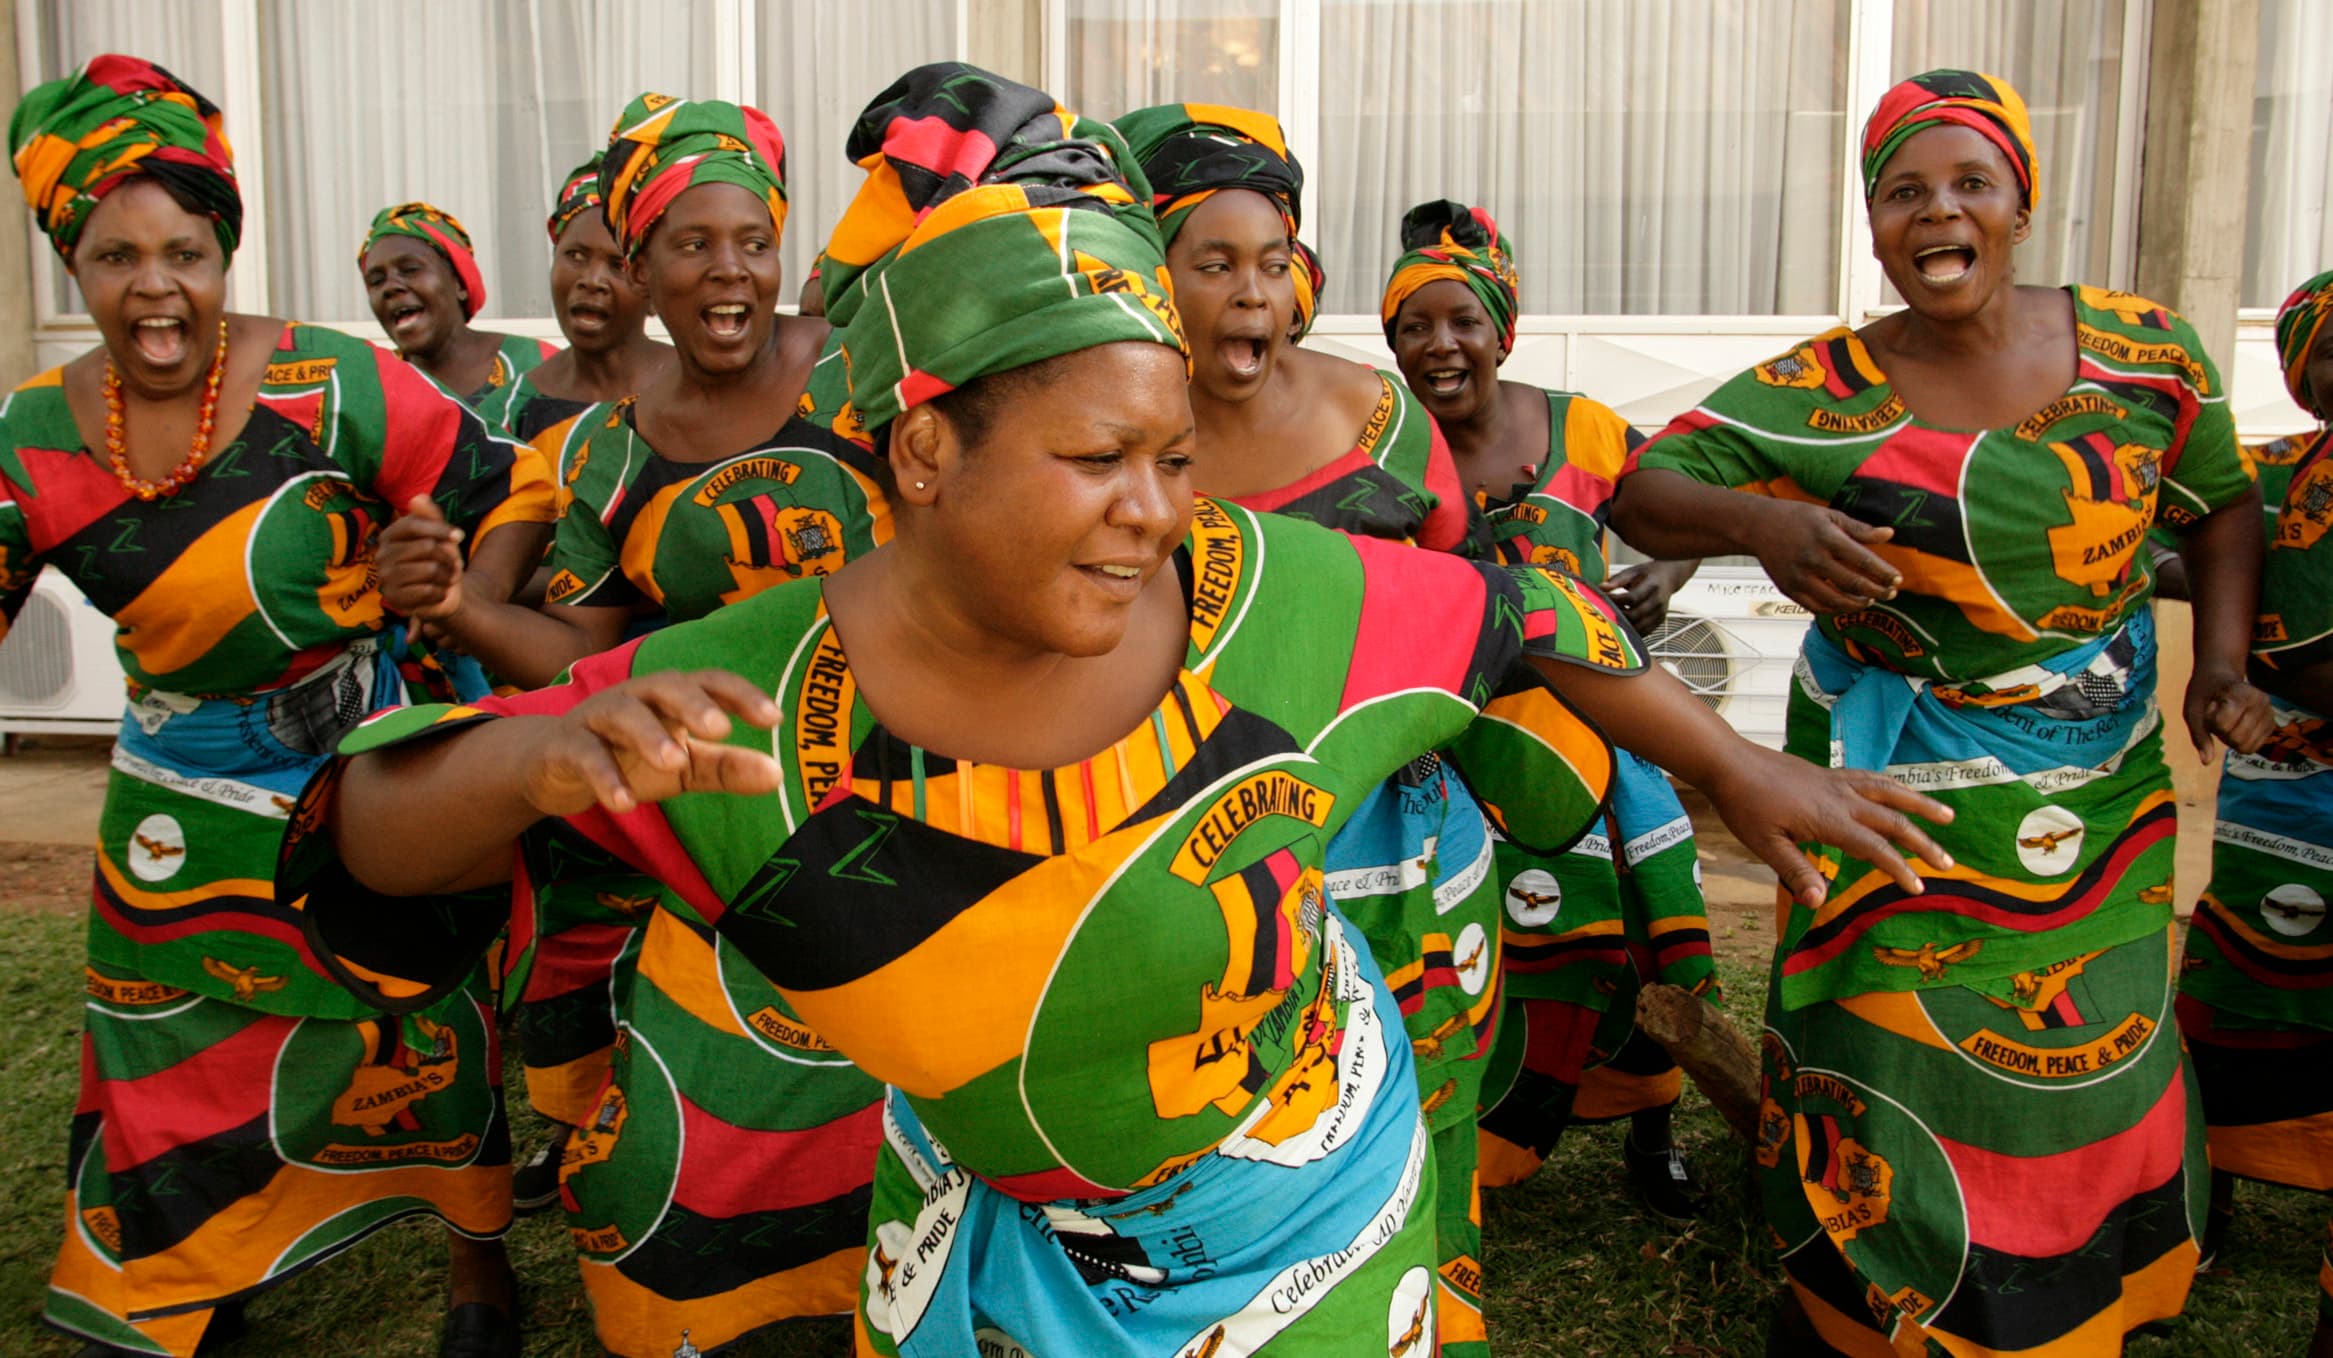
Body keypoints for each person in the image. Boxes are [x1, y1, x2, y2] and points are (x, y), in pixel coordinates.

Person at [279, 63, 1951, 1358]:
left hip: (1317, 1224)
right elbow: (360, 845)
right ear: (923, 453)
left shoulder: (1268, 596)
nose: (1159, 508)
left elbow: (1525, 612)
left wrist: (1735, 766)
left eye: (1170, 453)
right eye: (1095, 459)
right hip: (994, 1260)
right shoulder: (750, 706)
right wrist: (530, 751)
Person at [1609, 69, 2271, 1356]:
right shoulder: (1824, 389)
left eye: (1969, 182)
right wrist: (1765, 521)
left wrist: (2220, 663)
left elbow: (2224, 503)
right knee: (1884, 1035)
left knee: (2102, 1030)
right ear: (1871, 226)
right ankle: (1864, 1291)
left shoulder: (2145, 355)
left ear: (2020, 201)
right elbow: (1646, 483)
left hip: (2101, 783)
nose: (1936, 212)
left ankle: (2085, 1290)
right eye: (1902, 191)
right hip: (1888, 786)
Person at [2, 55, 552, 1358]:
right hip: (174, 799)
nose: (154, 290)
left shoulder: (329, 382)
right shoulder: (31, 436)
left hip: (357, 768)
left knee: (419, 1023)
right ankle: (196, 1271)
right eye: (114, 256)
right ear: (68, 265)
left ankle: (479, 1267)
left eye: (184, 251)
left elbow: (514, 483)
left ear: (224, 247)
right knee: (164, 1048)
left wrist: (454, 598)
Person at [369, 91, 888, 1356]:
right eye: (690, 245)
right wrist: (461, 612)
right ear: (640, 267)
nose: (729, 271)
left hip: (899, 791)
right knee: (702, 1130)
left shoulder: (858, 365)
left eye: (751, 241)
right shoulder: (602, 452)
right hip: (716, 814)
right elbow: (586, 656)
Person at [1117, 104, 1510, 1353]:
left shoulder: (1379, 413)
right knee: (1265, 1121)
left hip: (1409, 828)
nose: (1249, 293)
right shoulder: (1126, 445)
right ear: (1147, 271)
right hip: (1231, 853)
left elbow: (1474, 593)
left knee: (1427, 1089)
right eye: (1211, 263)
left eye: (1271, 261)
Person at [1381, 198, 1717, 1216]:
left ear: (1501, 328)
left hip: (1606, 742)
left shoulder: (1580, 427)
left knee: (1644, 936)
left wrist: (1663, 576)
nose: (1439, 346)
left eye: (1461, 322)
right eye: (1411, 327)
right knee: (1483, 948)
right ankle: (1477, 1142)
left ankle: (1648, 1132)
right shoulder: (1387, 451)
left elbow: (1682, 501)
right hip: (1465, 752)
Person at [2175, 266, 2333, 1356]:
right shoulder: (2259, 479)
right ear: (2296, 368)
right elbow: (2176, 550)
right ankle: (2212, 1191)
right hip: (2279, 784)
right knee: (2239, 979)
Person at [477, 154, 672, 449]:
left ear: (652, 286)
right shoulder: (507, 416)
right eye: (575, 256)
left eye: (618, 265)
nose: (592, 280)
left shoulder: (704, 391)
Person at [360, 201, 558, 407]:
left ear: (459, 283)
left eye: (410, 269)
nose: (390, 287)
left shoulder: (536, 364)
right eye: (376, 281)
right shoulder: (369, 391)